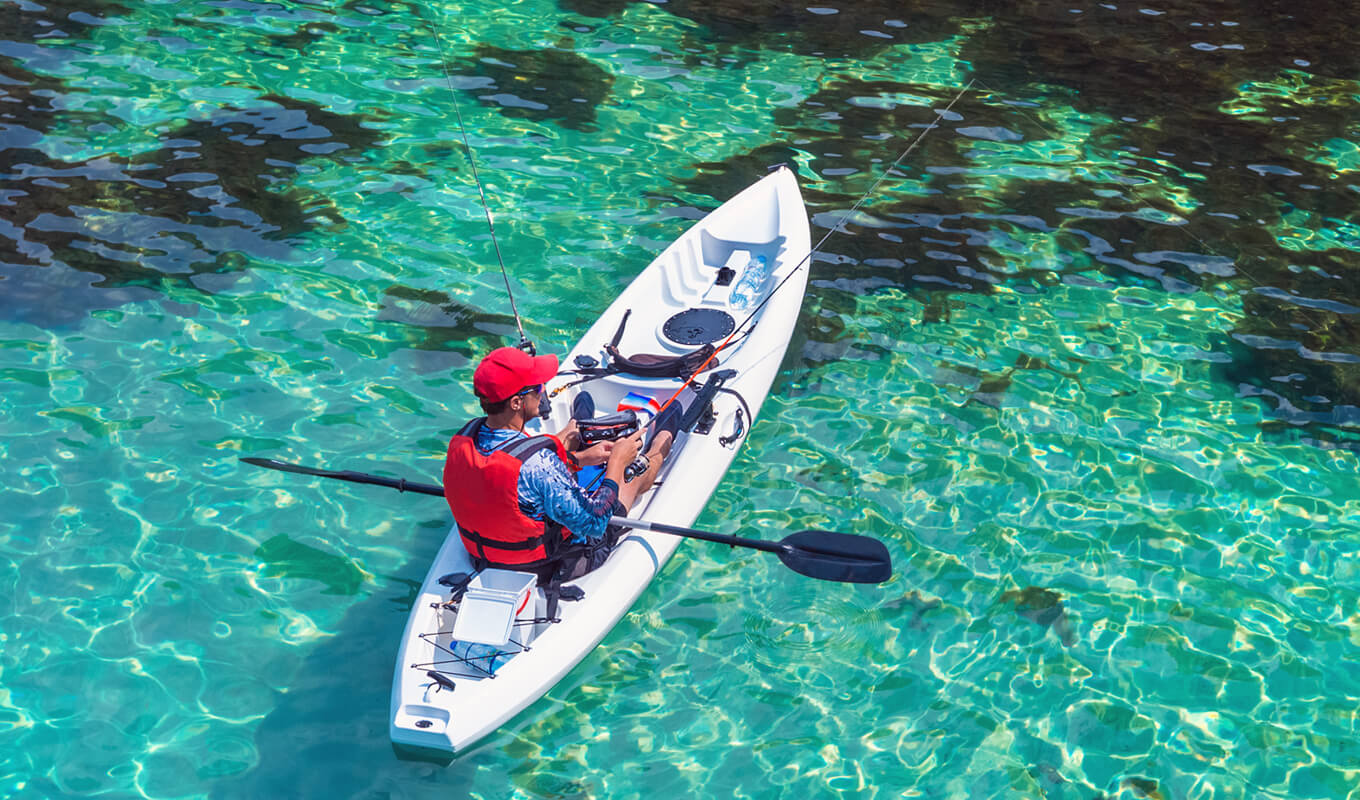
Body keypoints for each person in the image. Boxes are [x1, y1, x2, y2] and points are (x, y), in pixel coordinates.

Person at [443, 346, 677, 582]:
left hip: (483, 556)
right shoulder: (539, 464)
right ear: (516, 403)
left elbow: (509, 480)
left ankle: (582, 424)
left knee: (576, 455)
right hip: (550, 564)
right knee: (632, 476)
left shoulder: (465, 438)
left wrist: (580, 459)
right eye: (537, 388)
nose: (543, 390)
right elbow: (594, 523)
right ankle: (663, 437)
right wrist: (617, 462)